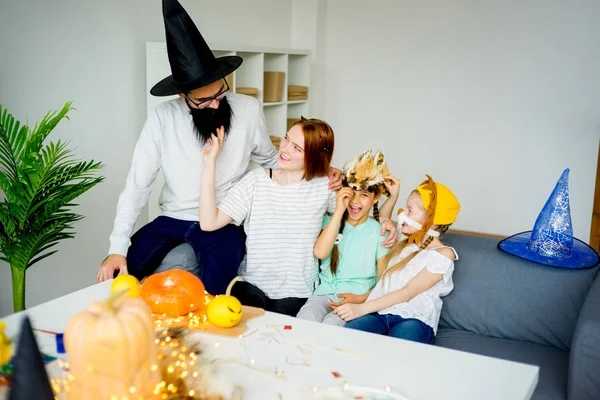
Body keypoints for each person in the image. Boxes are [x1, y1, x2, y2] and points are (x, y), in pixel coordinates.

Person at [95, 0, 342, 294]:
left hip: (223, 218)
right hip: (173, 217)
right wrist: (116, 248)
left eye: (220, 94)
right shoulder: (161, 118)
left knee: (215, 291)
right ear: (183, 95)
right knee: (121, 279)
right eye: (203, 101)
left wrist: (320, 170)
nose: (215, 104)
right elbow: (137, 186)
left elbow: (271, 159)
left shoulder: (248, 109)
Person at [200, 120, 397, 317]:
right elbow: (209, 223)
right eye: (286, 138)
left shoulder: (325, 188)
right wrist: (209, 163)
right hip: (252, 286)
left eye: (296, 148)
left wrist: (386, 218)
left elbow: (358, 214)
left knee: (285, 336)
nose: (284, 148)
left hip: (298, 293)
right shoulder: (255, 181)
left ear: (313, 157)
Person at [335, 175, 460, 344]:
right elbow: (383, 221)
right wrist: (393, 195)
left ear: (432, 221)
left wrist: (360, 309)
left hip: (413, 319)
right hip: (379, 313)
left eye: (410, 211)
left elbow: (408, 292)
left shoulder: (443, 254)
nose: (402, 214)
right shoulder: (404, 238)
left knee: (399, 351)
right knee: (346, 338)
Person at [297, 150, 400, 326]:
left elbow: (384, 283)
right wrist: (339, 210)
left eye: (364, 195)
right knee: (305, 319)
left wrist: (360, 299)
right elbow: (320, 253)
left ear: (376, 198)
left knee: (332, 324)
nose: (355, 200)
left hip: (356, 299)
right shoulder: (330, 221)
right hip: (324, 295)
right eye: (352, 191)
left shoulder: (378, 232)